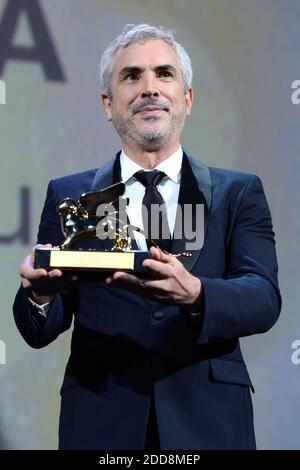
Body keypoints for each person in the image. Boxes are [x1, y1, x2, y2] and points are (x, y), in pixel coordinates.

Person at [13, 23, 281, 450]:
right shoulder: (71, 195)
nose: (150, 88)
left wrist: (196, 293)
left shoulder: (238, 192)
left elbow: (264, 298)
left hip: (209, 422)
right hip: (101, 419)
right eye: (132, 76)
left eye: (165, 73)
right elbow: (40, 328)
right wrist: (41, 296)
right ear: (108, 103)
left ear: (187, 99)